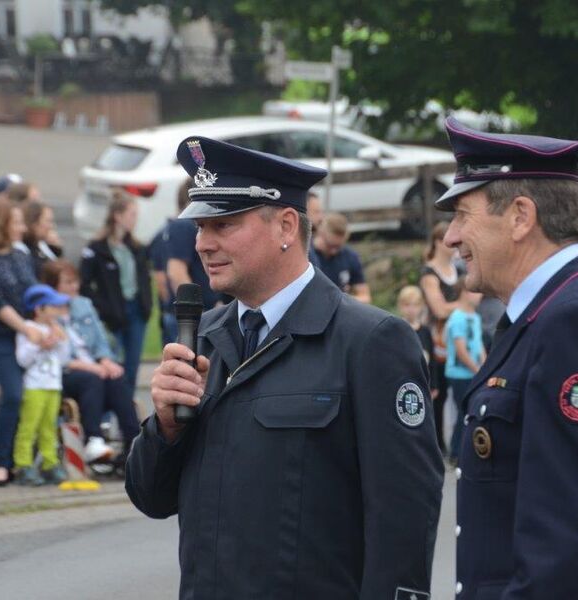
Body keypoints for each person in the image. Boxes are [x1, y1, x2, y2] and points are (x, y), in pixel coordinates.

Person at [126, 136, 443, 599]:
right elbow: (151, 499)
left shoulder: (369, 341)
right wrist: (166, 428)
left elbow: (405, 513)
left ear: (287, 227)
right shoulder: (203, 337)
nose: (203, 244)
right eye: (199, 227)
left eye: (223, 225)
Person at [435, 117, 578, 599]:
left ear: (520, 216)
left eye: (462, 214)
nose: (451, 237)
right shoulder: (539, 315)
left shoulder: (566, 321)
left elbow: (560, 544)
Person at [42, 260, 140, 464]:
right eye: (67, 283)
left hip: (93, 369)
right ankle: (93, 439)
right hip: (65, 374)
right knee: (91, 379)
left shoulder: (83, 304)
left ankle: (134, 442)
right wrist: (93, 367)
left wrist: (106, 361)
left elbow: (100, 340)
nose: (74, 287)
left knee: (117, 377)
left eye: (75, 282)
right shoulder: (45, 311)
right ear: (53, 285)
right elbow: (60, 359)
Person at [0, 197, 48, 486]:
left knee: (35, 394)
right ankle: (1, 461)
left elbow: (35, 295)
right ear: (2, 224)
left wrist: (49, 325)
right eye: (16, 222)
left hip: (29, 336)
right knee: (13, 394)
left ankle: (26, 457)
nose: (21, 228)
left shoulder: (21, 256)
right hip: (1, 337)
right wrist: (26, 329)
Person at [79, 190, 152, 398]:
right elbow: (84, 284)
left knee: (132, 364)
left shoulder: (137, 248)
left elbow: (144, 278)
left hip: (136, 311)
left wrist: (146, 304)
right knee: (113, 363)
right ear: (117, 217)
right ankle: (108, 415)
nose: (135, 220)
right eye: (131, 215)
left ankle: (127, 414)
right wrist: (102, 307)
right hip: (112, 314)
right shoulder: (97, 248)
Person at [13, 284, 71, 486]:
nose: (57, 311)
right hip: (34, 387)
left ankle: (49, 463)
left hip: (53, 386)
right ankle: (23, 465)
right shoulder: (28, 330)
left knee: (49, 427)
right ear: (39, 309)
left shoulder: (54, 329)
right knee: (29, 427)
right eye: (53, 307)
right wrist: (39, 345)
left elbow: (63, 360)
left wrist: (61, 341)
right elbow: (23, 359)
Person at [419, 221, 461, 454]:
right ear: (438, 242)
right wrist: (463, 306)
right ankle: (436, 443)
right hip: (438, 342)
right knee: (438, 392)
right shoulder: (429, 272)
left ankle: (456, 442)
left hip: (458, 339)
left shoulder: (460, 269)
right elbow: (439, 309)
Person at [444, 277, 485, 464]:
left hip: (474, 372)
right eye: (475, 292)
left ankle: (461, 451)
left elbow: (479, 345)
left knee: (468, 412)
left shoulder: (475, 317)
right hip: (460, 374)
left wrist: (486, 366)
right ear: (464, 292)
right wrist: (478, 370)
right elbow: (461, 351)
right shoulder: (458, 318)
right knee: (464, 412)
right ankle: (455, 453)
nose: (480, 296)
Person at [148, 178, 194, 347]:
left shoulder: (164, 232)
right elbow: (174, 274)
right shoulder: (183, 226)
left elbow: (160, 276)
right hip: (187, 317)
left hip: (174, 311)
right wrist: (196, 312)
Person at [165, 182, 221, 312]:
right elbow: (176, 272)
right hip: (197, 313)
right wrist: (193, 310)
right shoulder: (183, 225)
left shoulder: (181, 225)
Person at [312, 212, 372, 303]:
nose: (334, 251)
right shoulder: (306, 254)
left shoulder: (350, 257)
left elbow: (365, 297)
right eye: (330, 245)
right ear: (321, 233)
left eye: (338, 246)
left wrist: (341, 300)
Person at [397, 285, 439, 401]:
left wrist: (434, 385)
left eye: (415, 305)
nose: (411, 309)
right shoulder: (397, 330)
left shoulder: (426, 332)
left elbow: (432, 360)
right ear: (400, 306)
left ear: (421, 306)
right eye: (407, 305)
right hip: (404, 383)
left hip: (423, 382)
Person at [21, 201, 63, 277]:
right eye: (48, 221)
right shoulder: (21, 250)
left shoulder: (41, 245)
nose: (52, 226)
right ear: (34, 223)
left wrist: (56, 250)